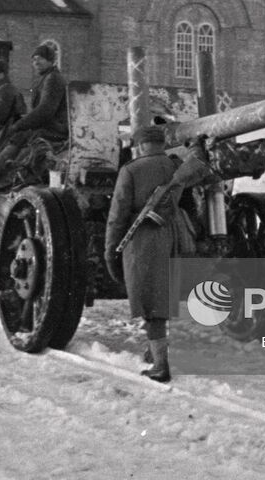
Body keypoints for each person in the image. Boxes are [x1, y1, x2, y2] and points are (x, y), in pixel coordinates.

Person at [104, 124, 181, 383]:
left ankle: (160, 365)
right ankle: (154, 350)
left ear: (140, 145)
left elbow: (117, 216)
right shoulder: (176, 167)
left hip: (143, 239)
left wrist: (110, 249)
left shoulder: (131, 170)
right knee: (163, 293)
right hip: (174, 234)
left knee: (150, 298)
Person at [0, 42, 68, 184]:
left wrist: (21, 124)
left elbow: (45, 111)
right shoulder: (46, 77)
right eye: (34, 59)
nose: (36, 62)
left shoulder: (53, 78)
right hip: (50, 124)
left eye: (40, 58)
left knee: (23, 134)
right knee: (18, 132)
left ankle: (4, 174)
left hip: (56, 128)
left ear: (51, 60)